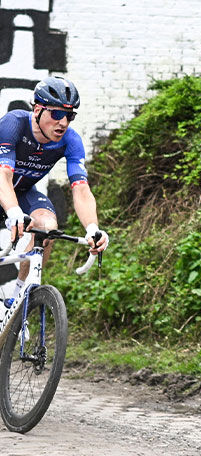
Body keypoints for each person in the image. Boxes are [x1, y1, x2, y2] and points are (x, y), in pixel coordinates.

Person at [0, 76, 108, 298]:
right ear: (38, 109)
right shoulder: (14, 123)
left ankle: (19, 297)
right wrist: (13, 212)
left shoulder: (70, 140)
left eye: (69, 115)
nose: (63, 123)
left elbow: (81, 188)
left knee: (47, 227)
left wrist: (92, 228)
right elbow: (4, 174)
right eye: (57, 114)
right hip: (4, 186)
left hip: (23, 193)